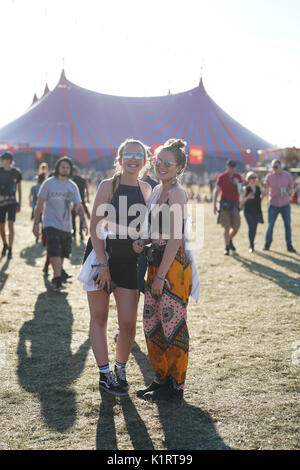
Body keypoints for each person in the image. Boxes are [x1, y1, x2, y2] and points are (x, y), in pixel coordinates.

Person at [78, 139, 152, 396]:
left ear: (145, 161)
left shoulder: (146, 189)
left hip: (128, 262)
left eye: (138, 155)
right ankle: (104, 374)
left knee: (129, 323)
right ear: (119, 159)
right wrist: (102, 264)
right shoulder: (108, 186)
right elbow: (96, 227)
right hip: (101, 258)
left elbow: (143, 229)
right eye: (128, 154)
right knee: (99, 319)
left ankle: (120, 368)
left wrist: (140, 243)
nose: (133, 158)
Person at [133, 139, 199, 402]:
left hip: (172, 268)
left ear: (179, 167)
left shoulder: (177, 193)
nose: (160, 166)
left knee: (173, 324)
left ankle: (175, 386)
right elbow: (157, 232)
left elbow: (175, 238)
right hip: (155, 264)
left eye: (167, 163)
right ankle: (160, 379)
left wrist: (161, 276)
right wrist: (143, 241)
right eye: (158, 161)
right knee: (152, 323)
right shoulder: (157, 191)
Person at [33, 156, 88, 291]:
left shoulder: (72, 186)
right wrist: (35, 224)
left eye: (67, 167)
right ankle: (57, 279)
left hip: (66, 225)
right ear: (58, 168)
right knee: (54, 249)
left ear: (70, 170)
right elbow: (39, 204)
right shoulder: (49, 183)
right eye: (62, 167)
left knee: (64, 252)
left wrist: (84, 222)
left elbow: (78, 206)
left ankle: (58, 274)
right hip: (50, 223)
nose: (65, 169)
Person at [263, 159, 296, 252]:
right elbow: (265, 189)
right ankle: (267, 244)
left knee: (287, 225)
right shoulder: (269, 176)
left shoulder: (287, 175)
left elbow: (292, 187)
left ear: (281, 166)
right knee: (270, 225)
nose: (274, 169)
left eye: (276, 167)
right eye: (273, 167)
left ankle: (289, 245)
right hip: (273, 204)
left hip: (285, 204)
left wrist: (288, 192)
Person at [213, 160, 243, 255]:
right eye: (231, 167)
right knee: (226, 227)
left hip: (234, 205)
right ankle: (227, 247)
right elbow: (216, 191)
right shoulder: (222, 177)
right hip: (224, 206)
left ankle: (229, 240)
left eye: (234, 167)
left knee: (236, 227)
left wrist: (238, 186)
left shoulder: (238, 177)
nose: (232, 169)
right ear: (227, 166)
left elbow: (240, 191)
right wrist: (214, 205)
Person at [0, 152, 22, 259]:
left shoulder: (16, 172)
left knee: (10, 224)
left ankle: (11, 249)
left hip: (12, 202)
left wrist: (20, 203)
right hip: (1, 202)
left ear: (9, 160)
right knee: (1, 226)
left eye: (3, 159)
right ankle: (4, 244)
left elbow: (19, 188)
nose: (2, 161)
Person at [240, 171, 264, 253]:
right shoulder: (245, 189)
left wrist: (263, 196)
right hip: (248, 211)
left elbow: (261, 198)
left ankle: (252, 244)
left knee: (255, 228)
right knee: (252, 227)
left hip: (257, 211)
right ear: (248, 179)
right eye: (252, 178)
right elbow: (241, 202)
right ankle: (251, 245)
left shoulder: (258, 188)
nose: (254, 179)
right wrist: (247, 197)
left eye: (255, 177)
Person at [71, 166, 90, 241]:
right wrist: (87, 199)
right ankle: (81, 233)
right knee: (81, 218)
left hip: (73, 201)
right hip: (81, 200)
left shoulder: (71, 180)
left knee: (73, 218)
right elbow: (87, 190)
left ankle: (74, 232)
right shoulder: (83, 180)